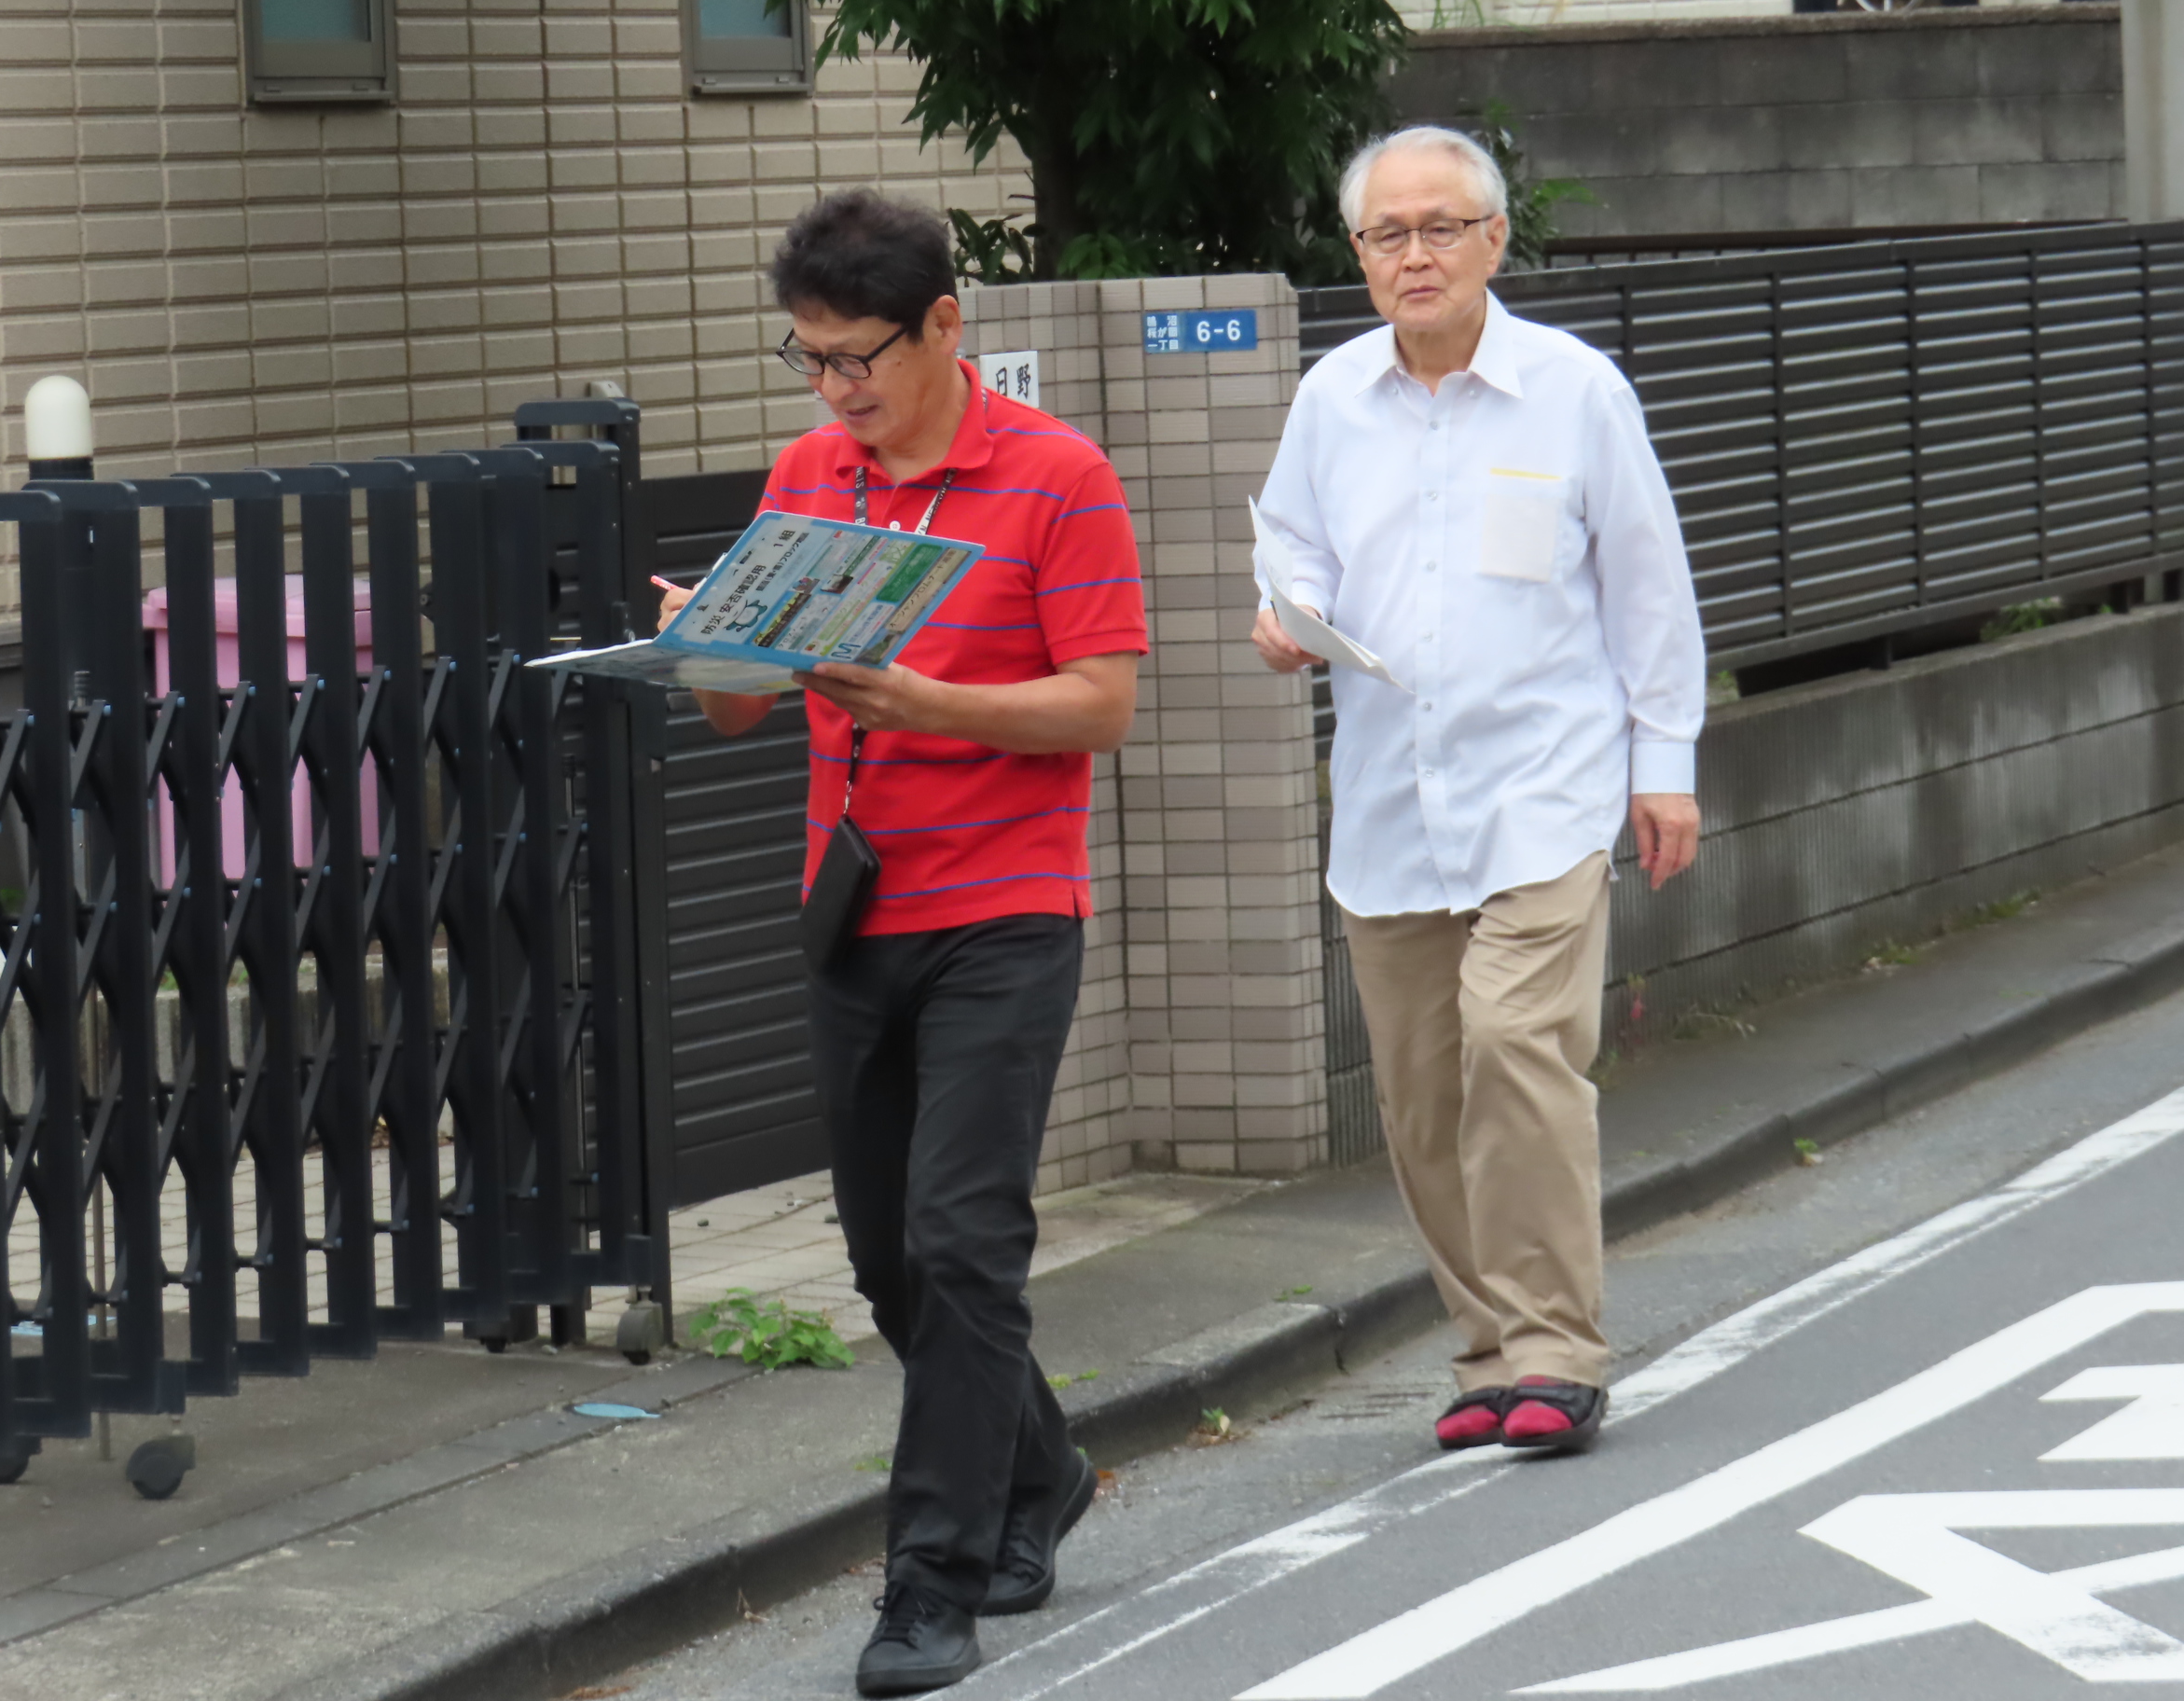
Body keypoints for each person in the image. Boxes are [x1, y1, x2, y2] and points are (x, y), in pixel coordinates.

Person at [658, 188, 1149, 1696]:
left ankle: (933, 1582)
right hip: (855, 904)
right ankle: (1040, 1469)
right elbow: (736, 708)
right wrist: (705, 644)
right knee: (886, 1258)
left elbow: (1102, 704)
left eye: (856, 356)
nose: (833, 388)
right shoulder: (812, 473)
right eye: (808, 357)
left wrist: (926, 701)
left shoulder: (1058, 476)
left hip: (1007, 911)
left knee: (961, 1241)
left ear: (945, 325)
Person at [1252, 126, 1705, 1455]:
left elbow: (1648, 584)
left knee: (1516, 1047)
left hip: (1544, 790)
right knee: (1422, 1098)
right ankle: (1489, 1349)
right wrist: (1290, 613)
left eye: (1442, 227)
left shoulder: (1574, 392)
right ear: (1359, 253)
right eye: (1389, 233)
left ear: (1495, 240)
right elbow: (1291, 543)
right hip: (1390, 800)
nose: (1417, 255)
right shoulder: (1331, 398)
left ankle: (1557, 1347)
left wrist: (1665, 768)